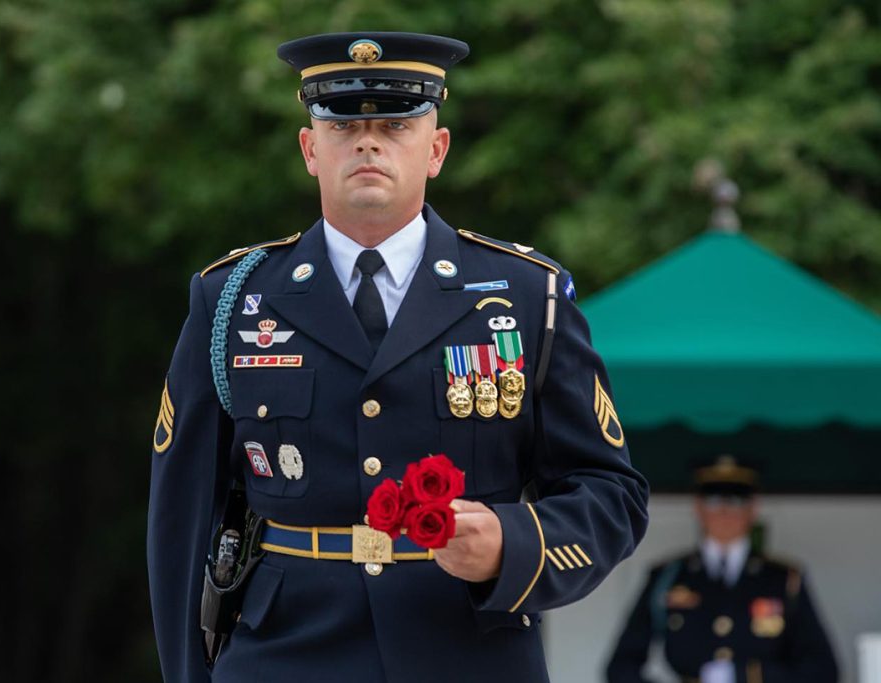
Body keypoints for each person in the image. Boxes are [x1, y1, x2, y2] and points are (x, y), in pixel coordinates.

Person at [147, 31, 649, 683]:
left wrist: (513, 544)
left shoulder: (527, 295)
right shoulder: (233, 299)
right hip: (285, 656)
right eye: (343, 125)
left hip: (467, 652)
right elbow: (181, 517)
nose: (368, 142)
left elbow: (611, 493)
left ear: (436, 149)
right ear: (309, 149)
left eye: (395, 124)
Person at [605, 456, 839, 683]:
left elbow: (822, 669)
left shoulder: (784, 579)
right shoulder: (668, 576)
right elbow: (621, 667)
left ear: (754, 507)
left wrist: (745, 676)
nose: (725, 510)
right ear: (697, 507)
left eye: (737, 499)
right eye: (714, 499)